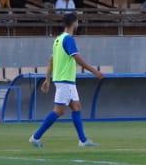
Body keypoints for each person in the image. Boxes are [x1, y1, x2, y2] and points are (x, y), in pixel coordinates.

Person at [29, 12, 103, 148]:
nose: (78, 24)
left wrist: (47, 79)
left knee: (76, 107)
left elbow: (51, 60)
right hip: (65, 80)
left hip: (64, 80)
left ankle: (83, 140)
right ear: (74, 23)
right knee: (59, 111)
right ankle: (35, 137)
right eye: (77, 22)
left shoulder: (58, 40)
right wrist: (94, 71)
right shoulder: (68, 39)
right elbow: (77, 58)